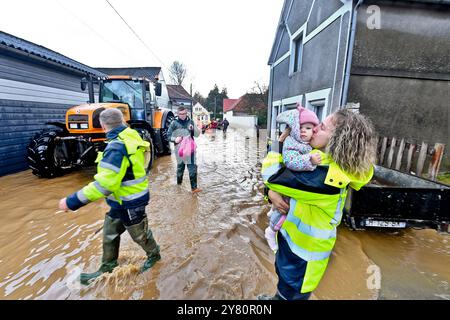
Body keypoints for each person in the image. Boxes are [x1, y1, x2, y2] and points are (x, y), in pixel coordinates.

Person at [258, 108, 376, 300]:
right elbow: (281, 187)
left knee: (291, 293)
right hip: (295, 243)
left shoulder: (326, 178)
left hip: (303, 257)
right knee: (284, 284)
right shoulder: (325, 162)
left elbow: (272, 176)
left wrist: (278, 145)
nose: (313, 130)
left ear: (338, 139)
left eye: (321, 127)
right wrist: (270, 193)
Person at [58, 108, 161, 285]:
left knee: (139, 235)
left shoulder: (116, 147)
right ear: (122, 121)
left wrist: (71, 201)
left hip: (131, 201)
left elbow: (105, 185)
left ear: (103, 126)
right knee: (110, 232)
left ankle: (155, 255)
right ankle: (107, 267)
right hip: (121, 200)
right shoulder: (131, 135)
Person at [264, 106, 321, 252]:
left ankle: (273, 212)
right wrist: (310, 159)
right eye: (300, 127)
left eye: (308, 128)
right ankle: (271, 230)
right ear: (294, 128)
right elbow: (289, 162)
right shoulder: (292, 142)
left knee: (282, 204)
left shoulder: (306, 144)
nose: (303, 130)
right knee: (284, 209)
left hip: (289, 182)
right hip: (287, 182)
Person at [167, 106, 201, 193]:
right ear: (178, 114)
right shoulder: (174, 123)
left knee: (193, 169)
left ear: (187, 113)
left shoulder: (191, 122)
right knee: (180, 170)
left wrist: (193, 129)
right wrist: (175, 139)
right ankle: (179, 186)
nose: (183, 116)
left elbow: (197, 135)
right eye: (181, 114)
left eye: (184, 114)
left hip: (190, 149)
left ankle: (194, 189)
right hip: (179, 150)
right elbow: (168, 135)